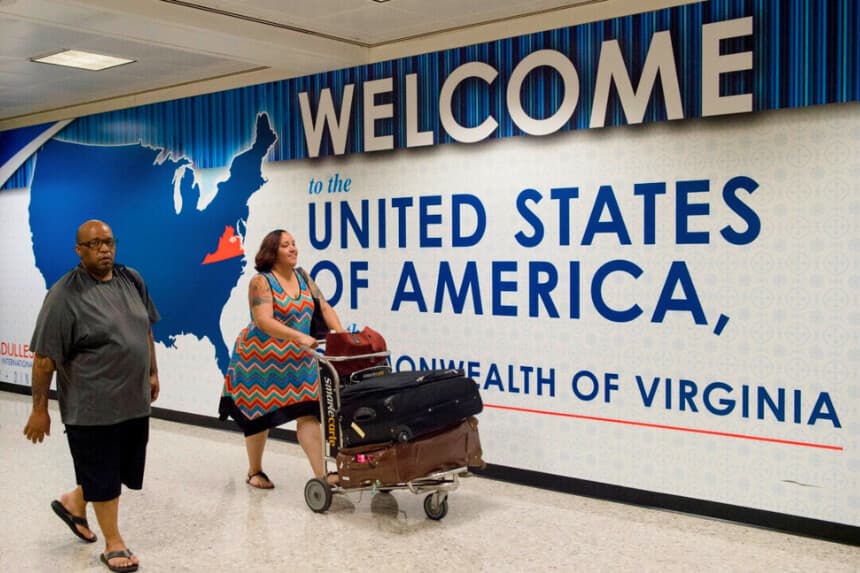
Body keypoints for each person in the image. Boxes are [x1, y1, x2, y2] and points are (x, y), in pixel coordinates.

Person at [23, 220, 160, 573]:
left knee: (119, 469)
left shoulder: (132, 279)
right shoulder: (64, 296)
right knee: (103, 471)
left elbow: (143, 327)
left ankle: (73, 502)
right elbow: (43, 359)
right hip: (91, 407)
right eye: (94, 243)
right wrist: (40, 409)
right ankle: (114, 543)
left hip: (132, 400)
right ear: (79, 251)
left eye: (109, 242)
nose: (104, 249)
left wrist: (152, 371)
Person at [219, 229, 345, 489]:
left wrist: (342, 336)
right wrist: (298, 336)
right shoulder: (261, 281)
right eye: (286, 245)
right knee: (258, 417)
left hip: (299, 362)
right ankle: (255, 471)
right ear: (272, 251)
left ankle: (322, 475)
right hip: (259, 360)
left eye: (294, 244)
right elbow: (263, 320)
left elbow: (324, 307)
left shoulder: (303, 277)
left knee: (308, 412)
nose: (293, 248)